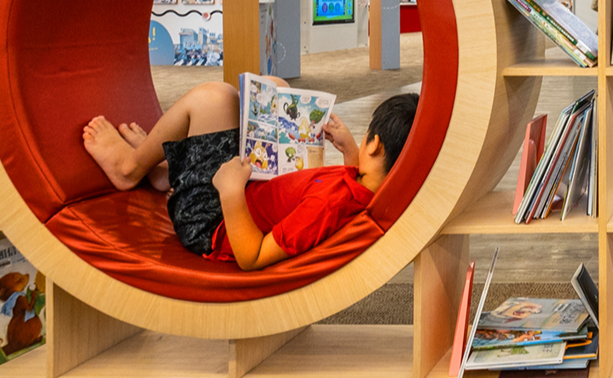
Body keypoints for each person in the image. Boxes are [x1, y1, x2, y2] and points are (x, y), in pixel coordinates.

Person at [81, 82, 417, 271]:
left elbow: (252, 256)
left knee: (214, 98)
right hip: (256, 194)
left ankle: (131, 168)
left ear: (375, 144)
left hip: (212, 219)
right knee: (275, 89)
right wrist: (350, 150)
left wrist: (230, 191)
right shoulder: (369, 189)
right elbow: (358, 192)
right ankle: (169, 172)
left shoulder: (328, 205)